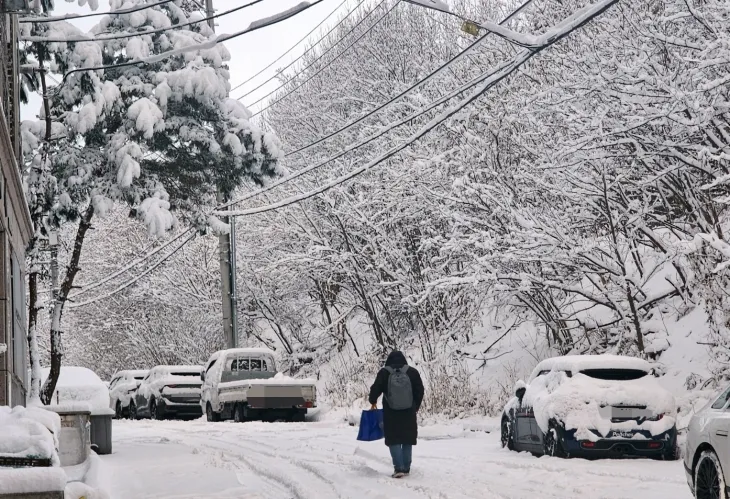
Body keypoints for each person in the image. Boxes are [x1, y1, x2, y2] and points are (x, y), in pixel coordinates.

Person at [368, 350, 425, 478]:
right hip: (409, 411)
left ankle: (398, 468)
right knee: (407, 438)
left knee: (393, 439)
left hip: (390, 412)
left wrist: (372, 400)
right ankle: (406, 467)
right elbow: (420, 389)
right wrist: (415, 405)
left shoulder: (384, 373)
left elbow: (375, 388)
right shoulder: (412, 372)